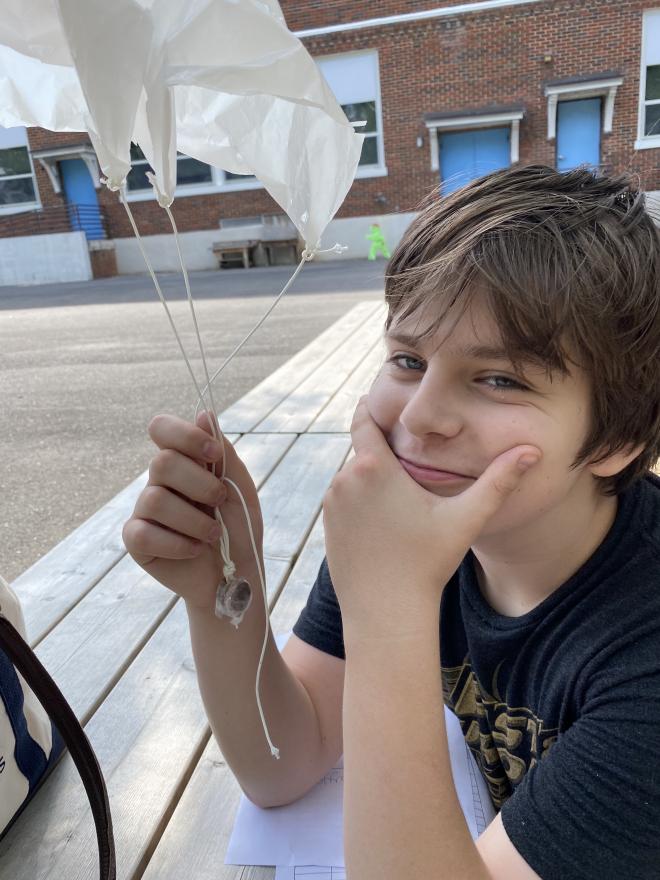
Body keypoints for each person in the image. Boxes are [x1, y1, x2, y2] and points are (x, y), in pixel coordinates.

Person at [123, 164, 660, 880]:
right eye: (408, 359)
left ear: (623, 434)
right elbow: (282, 765)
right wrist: (226, 588)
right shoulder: (405, 527)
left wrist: (391, 609)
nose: (419, 417)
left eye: (499, 379)